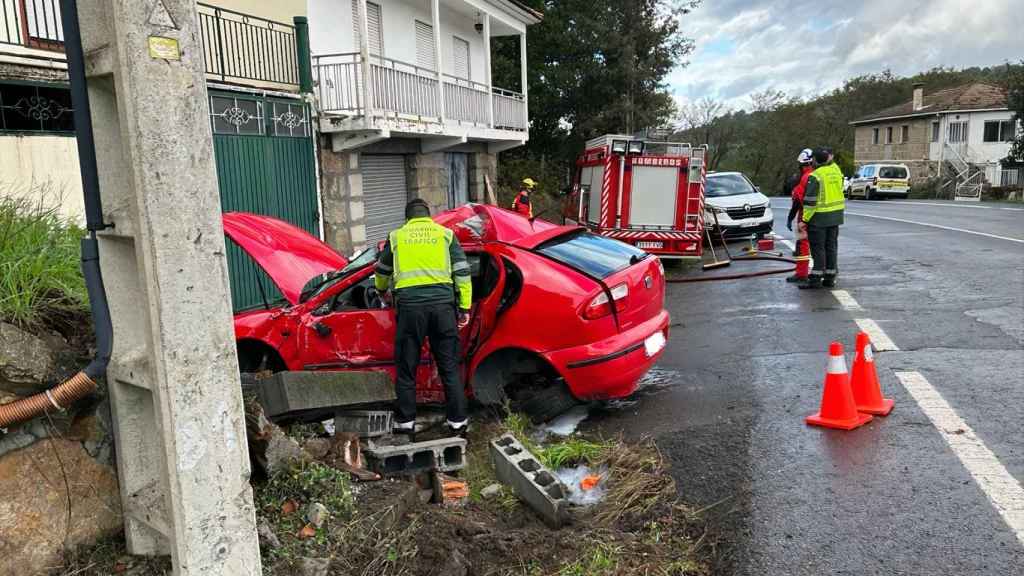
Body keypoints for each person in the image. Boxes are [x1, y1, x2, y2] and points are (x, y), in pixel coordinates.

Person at [374, 199, 473, 437]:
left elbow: (382, 271)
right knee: (449, 367)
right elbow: (462, 272)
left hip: (410, 310)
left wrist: (380, 290)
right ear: (428, 216)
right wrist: (465, 307)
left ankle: (406, 423)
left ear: (407, 219)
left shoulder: (397, 236)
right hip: (443, 309)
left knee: (407, 367)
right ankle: (458, 423)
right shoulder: (446, 235)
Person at [799, 147, 845, 290]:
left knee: (818, 249)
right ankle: (830, 278)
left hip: (819, 219)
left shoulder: (816, 176)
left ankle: (816, 279)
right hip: (836, 216)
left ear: (815, 160)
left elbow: (810, 202)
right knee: (831, 247)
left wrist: (804, 220)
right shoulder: (836, 171)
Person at [784, 149, 815, 284]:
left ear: (802, 164)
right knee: (821, 245)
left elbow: (798, 200)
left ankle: (801, 274)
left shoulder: (804, 178)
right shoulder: (820, 174)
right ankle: (825, 271)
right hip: (822, 216)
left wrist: (791, 217)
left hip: (805, 215)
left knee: (802, 245)